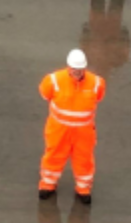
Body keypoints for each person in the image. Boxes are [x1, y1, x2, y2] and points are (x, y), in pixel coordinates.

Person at [39, 49, 105, 202]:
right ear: (68, 66)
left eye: (80, 69)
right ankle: (47, 184)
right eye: (74, 68)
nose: (77, 72)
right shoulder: (53, 80)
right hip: (59, 129)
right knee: (54, 155)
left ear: (85, 68)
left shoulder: (96, 83)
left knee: (84, 159)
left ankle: (83, 188)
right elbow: (45, 93)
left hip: (84, 131)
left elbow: (99, 96)